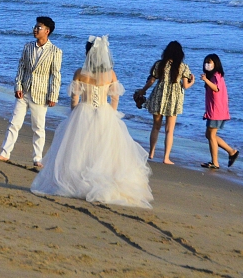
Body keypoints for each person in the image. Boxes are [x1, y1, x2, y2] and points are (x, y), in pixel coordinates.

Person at [31, 36, 152, 207]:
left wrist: (74, 114)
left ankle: (77, 182)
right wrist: (111, 113)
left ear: (88, 53)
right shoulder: (110, 74)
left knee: (80, 149)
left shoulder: (80, 73)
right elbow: (115, 98)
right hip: (104, 112)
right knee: (103, 150)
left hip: (84, 111)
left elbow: (75, 98)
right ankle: (100, 181)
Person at [0, 16, 62, 168]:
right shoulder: (28, 47)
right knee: (14, 123)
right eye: (35, 27)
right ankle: (5, 153)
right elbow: (21, 68)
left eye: (39, 27)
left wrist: (53, 96)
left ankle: (37, 158)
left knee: (38, 127)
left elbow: (56, 75)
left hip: (41, 94)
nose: (35, 29)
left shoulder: (55, 51)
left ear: (47, 31)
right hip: (24, 91)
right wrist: (18, 86)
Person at [139, 41, 195, 164]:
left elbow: (151, 81)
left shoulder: (159, 64)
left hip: (159, 96)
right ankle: (166, 158)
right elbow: (185, 86)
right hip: (174, 99)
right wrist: (193, 82)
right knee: (170, 130)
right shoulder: (183, 67)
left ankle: (152, 153)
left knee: (156, 126)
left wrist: (142, 91)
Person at [200, 54, 240, 169]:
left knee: (211, 135)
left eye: (210, 62)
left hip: (216, 111)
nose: (207, 64)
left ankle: (215, 162)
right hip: (215, 110)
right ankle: (231, 152)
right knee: (209, 134)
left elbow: (216, 88)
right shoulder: (212, 75)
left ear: (215, 64)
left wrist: (206, 80)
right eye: (206, 62)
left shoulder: (216, 75)